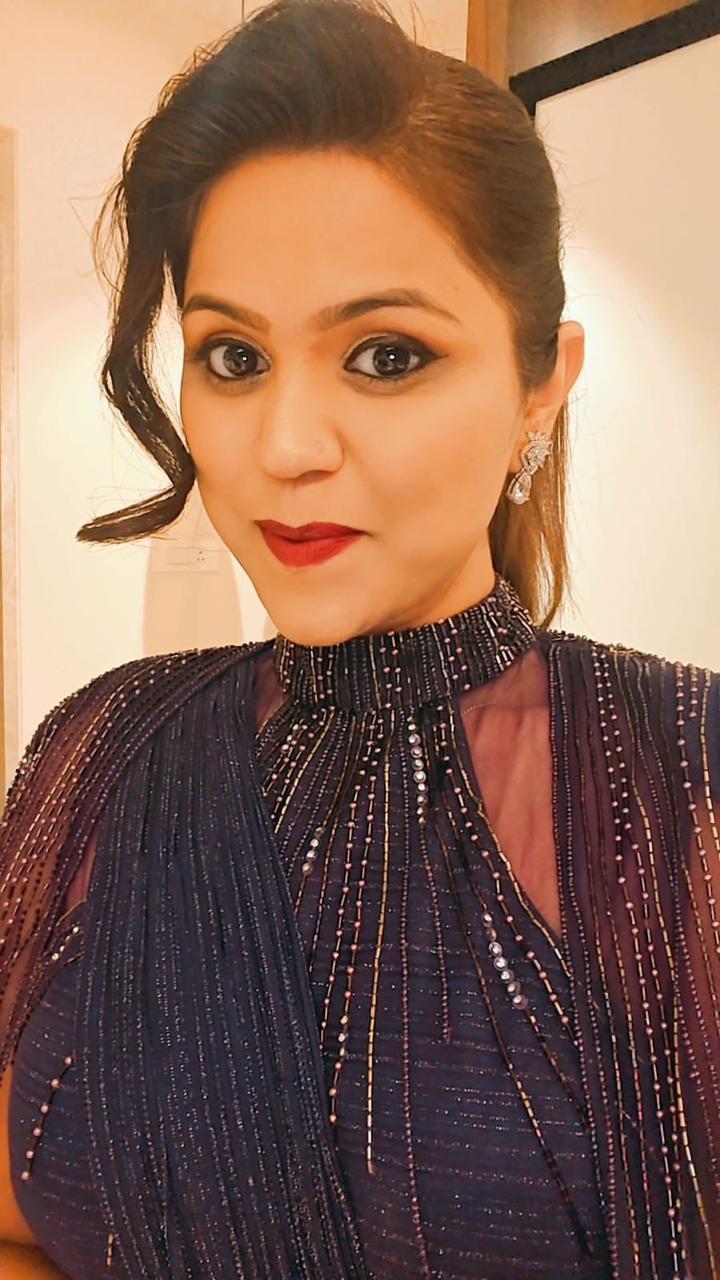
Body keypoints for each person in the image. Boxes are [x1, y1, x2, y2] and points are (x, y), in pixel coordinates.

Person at [0, 1, 718, 1277]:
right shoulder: (101, 747)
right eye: (233, 355)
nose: (284, 448)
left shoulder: (689, 775)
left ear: (541, 382)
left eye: (386, 355)